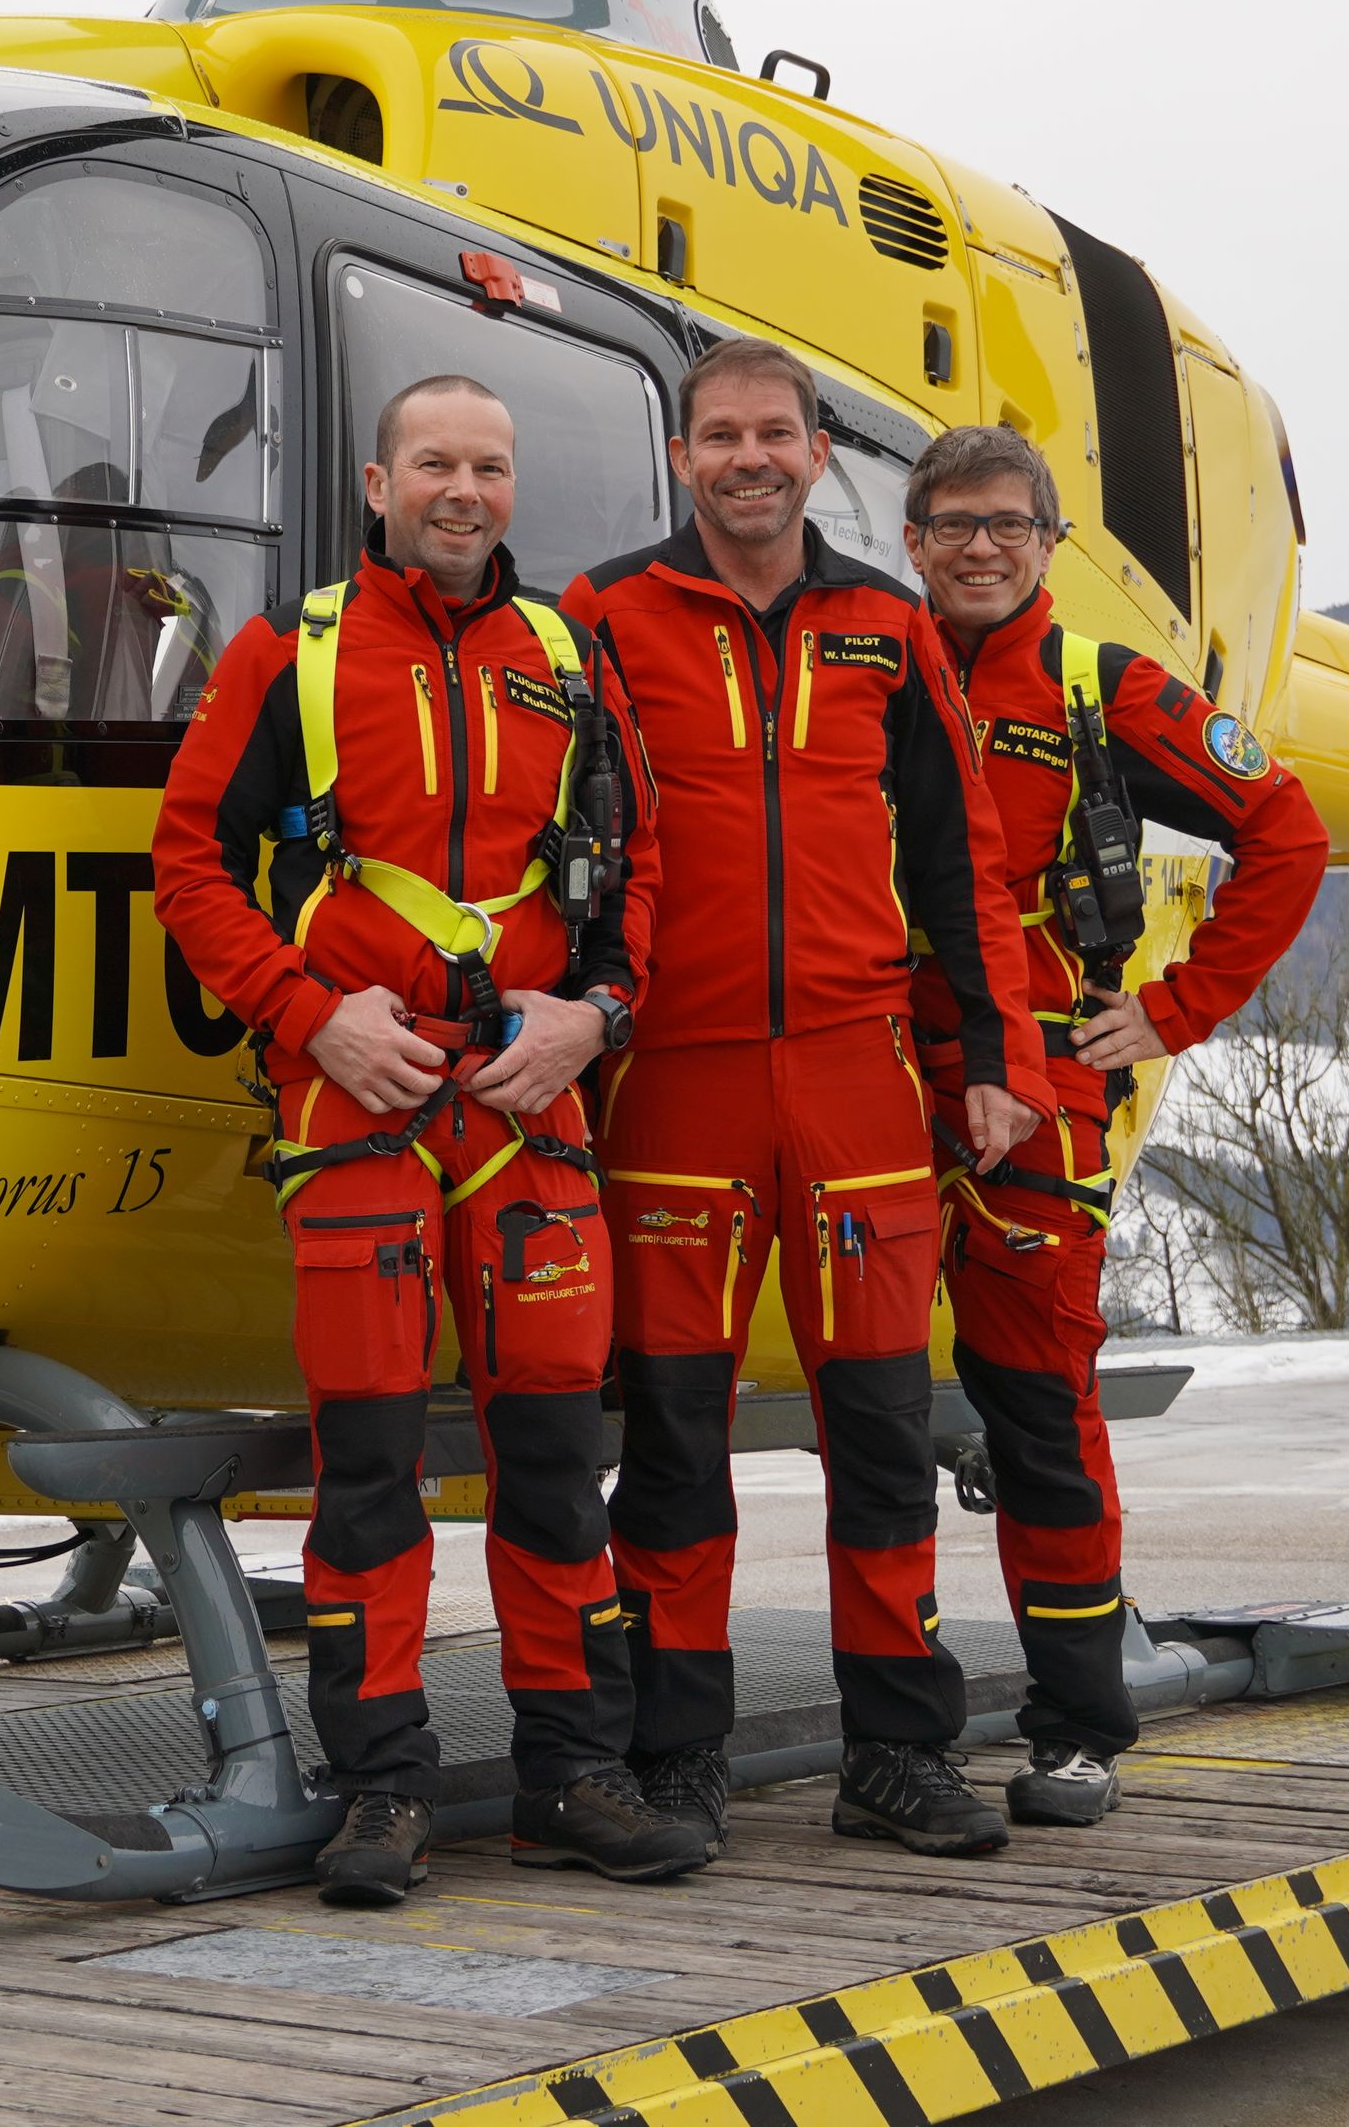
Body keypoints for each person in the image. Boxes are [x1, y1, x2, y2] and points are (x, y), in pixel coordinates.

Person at [155, 371, 709, 1907]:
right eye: (435, 464)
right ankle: (379, 1791)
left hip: (529, 1110)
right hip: (363, 1103)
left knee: (551, 1465)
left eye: (491, 466)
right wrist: (308, 1015)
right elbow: (190, 862)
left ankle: (572, 1778)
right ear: (378, 481)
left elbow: (640, 864)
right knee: (371, 1475)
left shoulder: (567, 658)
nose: (464, 490)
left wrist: (597, 1016)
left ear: (511, 488)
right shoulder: (295, 652)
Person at [561, 340, 1051, 1863]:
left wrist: (996, 1059)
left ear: (819, 444)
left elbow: (961, 865)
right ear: (683, 453)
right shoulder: (602, 616)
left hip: (854, 1080)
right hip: (677, 1085)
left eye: (776, 432)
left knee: (886, 1433)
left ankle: (897, 1752)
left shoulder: (889, 627)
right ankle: (677, 1751)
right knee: (675, 1440)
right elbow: (558, 837)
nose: (750, 458)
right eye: (721, 435)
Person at [900, 422, 1327, 1827]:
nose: (977, 548)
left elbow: (1288, 829)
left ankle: (1078, 1727)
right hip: (871, 1086)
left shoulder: (1106, 690)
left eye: (1006, 526)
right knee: (867, 1415)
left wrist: (1180, 1006)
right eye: (952, 522)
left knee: (1040, 1421)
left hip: (1041, 1103)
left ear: (1048, 545)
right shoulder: (861, 670)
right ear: (910, 538)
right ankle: (885, 1734)